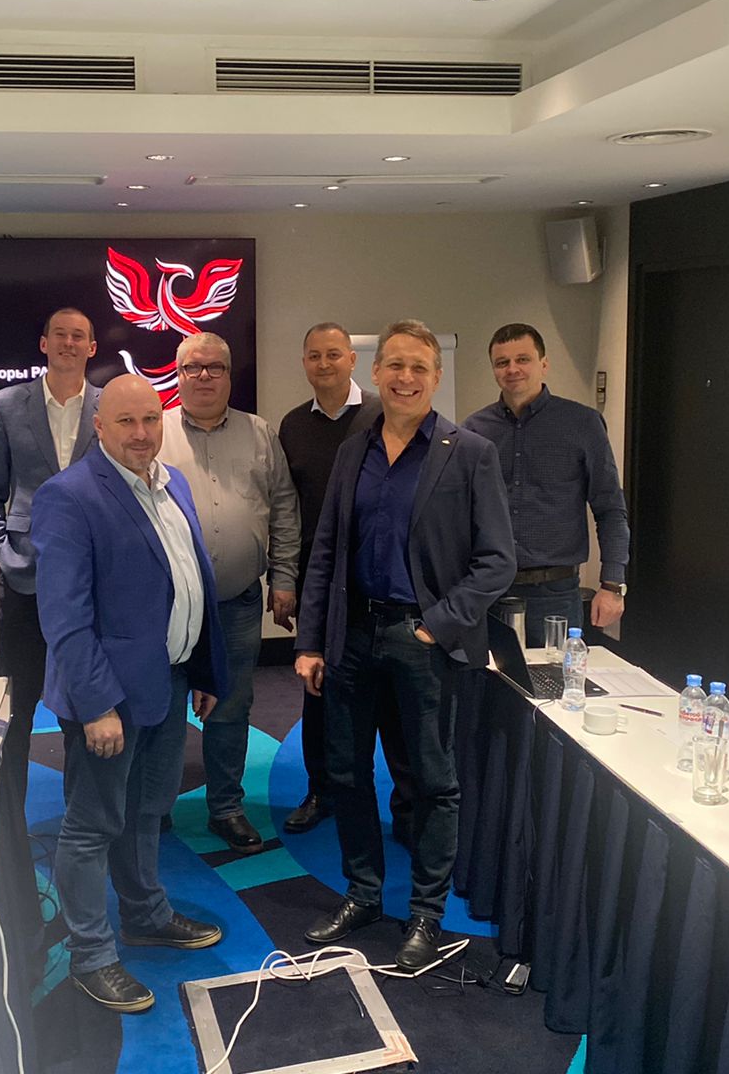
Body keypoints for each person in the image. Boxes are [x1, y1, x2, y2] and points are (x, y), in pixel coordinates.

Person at [294, 320, 516, 970]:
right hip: (352, 636)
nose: (405, 377)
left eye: (419, 367)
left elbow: (497, 561)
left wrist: (436, 625)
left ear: (437, 377)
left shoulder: (469, 453)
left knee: (432, 781)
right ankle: (363, 893)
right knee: (346, 772)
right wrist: (311, 640)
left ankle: (425, 913)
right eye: (394, 364)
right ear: (376, 372)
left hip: (424, 638)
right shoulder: (353, 452)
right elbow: (326, 552)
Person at [32, 374, 231, 1012]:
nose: (142, 433)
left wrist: (202, 671)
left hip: (167, 682)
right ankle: (91, 954)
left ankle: (146, 915)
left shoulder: (171, 485)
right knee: (92, 825)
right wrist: (96, 705)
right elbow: (65, 617)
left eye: (151, 419)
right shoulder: (69, 496)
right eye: (126, 421)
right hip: (109, 698)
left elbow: (189, 583)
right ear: (99, 426)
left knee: (147, 811)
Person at [157, 332, 299, 854]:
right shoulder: (155, 432)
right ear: (178, 375)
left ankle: (226, 808)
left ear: (229, 375)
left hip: (237, 602)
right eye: (192, 367)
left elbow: (283, 507)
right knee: (163, 708)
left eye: (214, 367)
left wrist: (284, 576)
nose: (203, 376)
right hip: (170, 606)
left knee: (232, 708)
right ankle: (155, 808)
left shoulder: (259, 433)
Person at [277, 323, 412, 839]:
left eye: (334, 354)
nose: (325, 363)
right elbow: (287, 509)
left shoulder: (382, 413)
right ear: (304, 363)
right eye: (315, 355)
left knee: (394, 701)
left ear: (354, 360)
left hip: (382, 580)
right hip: (320, 581)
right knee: (318, 691)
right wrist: (287, 577)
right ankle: (321, 791)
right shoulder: (293, 425)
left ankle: (407, 806)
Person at [0, 307, 101, 789]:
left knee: (85, 705)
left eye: (79, 336)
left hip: (91, 578)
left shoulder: (108, 406)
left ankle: (84, 814)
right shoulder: (7, 405)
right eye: (60, 335)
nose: (69, 343)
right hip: (24, 572)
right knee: (16, 708)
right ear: (44, 344)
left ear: (92, 348)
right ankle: (9, 819)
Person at [460, 323, 629, 645]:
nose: (512, 369)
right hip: (487, 590)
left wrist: (612, 585)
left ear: (544, 364)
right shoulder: (474, 431)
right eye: (502, 362)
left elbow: (610, 509)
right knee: (486, 676)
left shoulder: (582, 423)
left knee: (553, 676)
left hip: (555, 594)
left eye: (523, 359)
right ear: (494, 370)